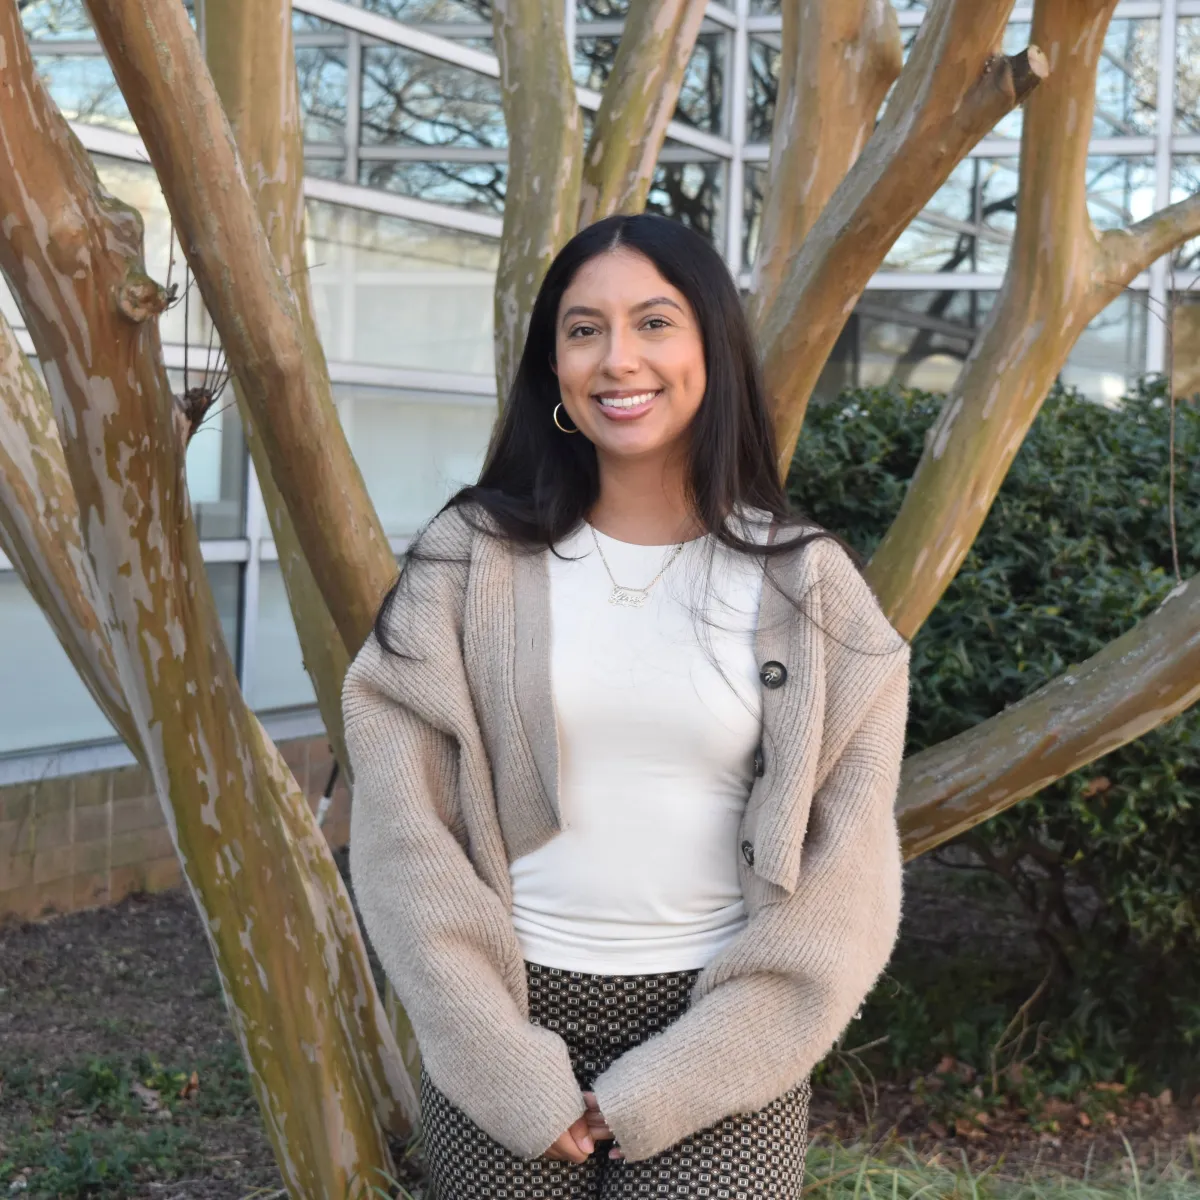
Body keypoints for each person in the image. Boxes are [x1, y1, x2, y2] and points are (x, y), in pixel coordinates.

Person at [343, 212, 911, 1199]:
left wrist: (691, 1069)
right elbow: (403, 831)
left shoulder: (805, 587)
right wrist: (500, 1058)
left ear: (711, 349)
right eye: (582, 329)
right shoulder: (469, 561)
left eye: (655, 322)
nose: (618, 359)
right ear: (552, 367)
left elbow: (847, 876)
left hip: (723, 1038)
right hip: (509, 1018)